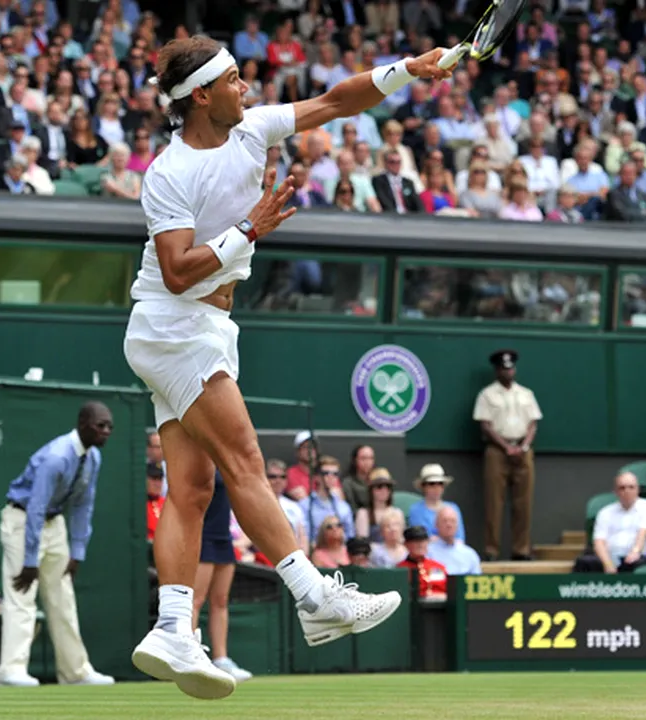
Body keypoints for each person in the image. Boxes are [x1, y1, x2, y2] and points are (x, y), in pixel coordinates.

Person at [126, 37, 451, 700]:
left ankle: (169, 628)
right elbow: (177, 270)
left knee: (192, 491)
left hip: (203, 327)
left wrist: (405, 71)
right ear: (201, 96)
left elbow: (337, 101)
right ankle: (314, 596)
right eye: (236, 79)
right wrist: (247, 230)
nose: (248, 88)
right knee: (246, 460)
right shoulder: (168, 172)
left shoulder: (252, 129)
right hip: (173, 322)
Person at [0, 402, 116, 687]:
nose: (107, 432)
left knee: (63, 598)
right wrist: (29, 560)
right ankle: (10, 671)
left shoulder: (93, 458)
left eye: (110, 427)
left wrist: (77, 552)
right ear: (84, 423)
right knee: (21, 596)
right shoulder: (56, 457)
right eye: (101, 426)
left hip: (55, 525)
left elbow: (83, 506)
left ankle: (75, 672)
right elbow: (36, 507)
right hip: (22, 522)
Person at [472, 349, 543, 561]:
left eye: (511, 368)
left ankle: (521, 549)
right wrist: (506, 447)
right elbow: (485, 425)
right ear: (496, 370)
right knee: (494, 502)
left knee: (524, 502)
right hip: (497, 450)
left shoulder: (526, 393)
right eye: (504, 368)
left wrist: (523, 446)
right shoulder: (487, 394)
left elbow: (533, 423)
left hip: (523, 450)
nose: (508, 372)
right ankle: (492, 549)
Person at [191, 471, 253, 683]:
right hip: (201, 535)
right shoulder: (199, 458)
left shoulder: (225, 457)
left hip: (223, 537)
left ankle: (221, 659)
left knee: (220, 600)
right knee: (196, 600)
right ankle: (190, 658)